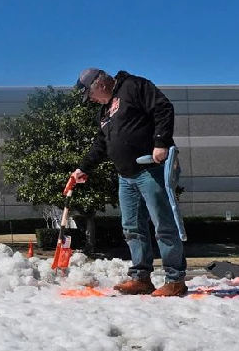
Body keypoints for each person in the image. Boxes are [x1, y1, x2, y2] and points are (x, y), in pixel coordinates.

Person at [70, 68, 187, 296]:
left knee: (163, 225)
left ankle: (175, 279)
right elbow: (101, 144)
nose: (91, 101)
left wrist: (161, 142)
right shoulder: (104, 111)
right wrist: (83, 168)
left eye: (90, 95)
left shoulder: (133, 86)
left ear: (100, 84)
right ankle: (141, 278)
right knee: (132, 228)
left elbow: (163, 108)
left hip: (150, 169)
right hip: (126, 176)